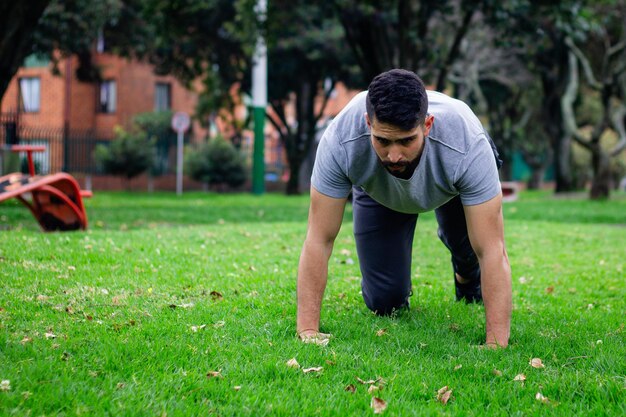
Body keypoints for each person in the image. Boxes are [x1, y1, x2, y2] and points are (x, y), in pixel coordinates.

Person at [296, 69, 511, 348]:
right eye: (382, 141)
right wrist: (308, 330)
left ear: (428, 125)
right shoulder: (341, 139)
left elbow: (493, 249)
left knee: (469, 246)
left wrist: (496, 343)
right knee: (384, 302)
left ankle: (465, 276)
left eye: (407, 140)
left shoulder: (467, 143)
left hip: (452, 187)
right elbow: (319, 238)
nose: (394, 155)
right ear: (367, 123)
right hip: (379, 192)